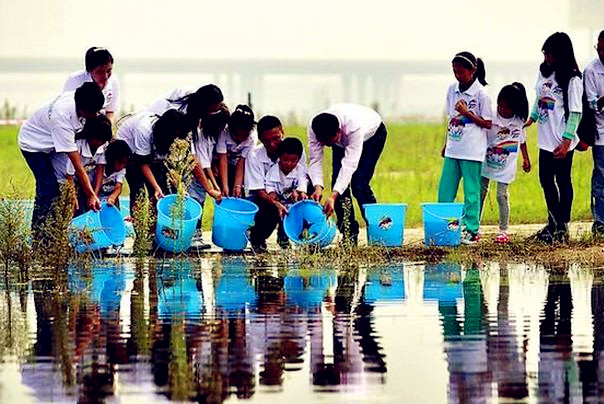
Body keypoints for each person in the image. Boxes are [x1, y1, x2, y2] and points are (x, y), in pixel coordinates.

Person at [18, 82, 104, 239]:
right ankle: (40, 238)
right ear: (83, 109)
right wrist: (91, 194)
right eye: (94, 112)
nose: (97, 115)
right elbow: (77, 166)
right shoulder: (62, 119)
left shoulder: (81, 98)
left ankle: (56, 232)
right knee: (48, 188)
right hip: (34, 145)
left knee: (60, 187)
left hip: (51, 140)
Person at [525, 32, 583, 244]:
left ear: (562, 54)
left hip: (561, 139)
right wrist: (531, 118)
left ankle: (562, 227)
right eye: (546, 54)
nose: (548, 58)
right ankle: (553, 224)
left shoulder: (573, 78)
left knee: (563, 180)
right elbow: (539, 98)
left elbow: (576, 112)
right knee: (545, 180)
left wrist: (567, 141)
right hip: (545, 139)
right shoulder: (543, 73)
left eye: (551, 54)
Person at [308, 104, 387, 245]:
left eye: (329, 142)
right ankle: (349, 235)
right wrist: (317, 187)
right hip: (342, 141)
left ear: (339, 132)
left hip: (373, 135)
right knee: (338, 187)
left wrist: (332, 196)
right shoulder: (314, 128)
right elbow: (315, 160)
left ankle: (379, 233)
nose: (326, 145)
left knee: (359, 185)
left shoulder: (354, 128)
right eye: (323, 142)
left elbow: (350, 165)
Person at [438, 52, 493, 245]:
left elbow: (487, 123)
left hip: (472, 150)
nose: (457, 75)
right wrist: (446, 144)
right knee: (445, 191)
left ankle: (471, 231)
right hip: (454, 148)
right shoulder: (452, 90)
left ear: (472, 71)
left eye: (461, 72)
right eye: (454, 71)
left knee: (471, 192)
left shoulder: (481, 94)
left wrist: (467, 113)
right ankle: (445, 228)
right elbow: (450, 119)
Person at [479, 83, 531, 243]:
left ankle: (503, 231)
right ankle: (474, 227)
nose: (503, 109)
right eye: (500, 105)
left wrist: (526, 159)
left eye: (507, 107)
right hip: (487, 161)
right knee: (480, 192)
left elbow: (522, 141)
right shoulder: (491, 117)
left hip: (506, 165)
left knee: (501, 196)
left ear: (515, 108)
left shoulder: (519, 121)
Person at [246, 115, 307, 251]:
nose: (273, 144)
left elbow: (302, 176)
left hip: (290, 193)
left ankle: (287, 234)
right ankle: (258, 237)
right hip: (266, 198)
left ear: (282, 132)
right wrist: (275, 203)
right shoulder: (254, 156)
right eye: (267, 141)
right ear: (261, 139)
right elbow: (260, 191)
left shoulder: (295, 148)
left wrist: (299, 191)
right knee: (271, 211)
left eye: (276, 138)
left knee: (304, 201)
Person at [115, 109, 189, 212]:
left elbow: (169, 165)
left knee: (161, 191)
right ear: (166, 131)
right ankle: (139, 224)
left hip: (148, 155)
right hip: (129, 153)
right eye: (173, 135)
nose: (174, 138)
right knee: (139, 192)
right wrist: (156, 187)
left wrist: (179, 186)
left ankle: (156, 224)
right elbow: (143, 163)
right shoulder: (144, 130)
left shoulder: (172, 137)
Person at [63, 115, 113, 214]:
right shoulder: (78, 145)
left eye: (102, 141)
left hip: (88, 182)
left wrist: (95, 194)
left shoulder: (103, 146)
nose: (99, 143)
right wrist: (72, 195)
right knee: (74, 206)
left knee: (92, 205)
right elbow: (69, 175)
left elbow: (100, 169)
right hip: (72, 181)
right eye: (96, 139)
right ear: (89, 134)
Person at [64, 47, 120, 124]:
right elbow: (68, 112)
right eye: (100, 72)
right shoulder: (75, 80)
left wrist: (107, 129)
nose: (106, 76)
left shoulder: (113, 82)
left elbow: (110, 111)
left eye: (109, 71)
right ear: (89, 70)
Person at [215, 104, 257, 198]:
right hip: (222, 163)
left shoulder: (252, 136)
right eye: (236, 134)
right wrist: (224, 186)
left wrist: (237, 185)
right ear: (230, 128)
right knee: (224, 190)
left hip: (240, 164)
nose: (240, 138)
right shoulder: (223, 132)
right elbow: (223, 159)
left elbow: (242, 161)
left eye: (244, 135)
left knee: (238, 192)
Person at [586, 30, 604, 237]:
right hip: (601, 133)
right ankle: (600, 222)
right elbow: (591, 104)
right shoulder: (591, 70)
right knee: (601, 178)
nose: (601, 53)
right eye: (599, 49)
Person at [98, 139, 131, 208]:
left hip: (111, 200)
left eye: (124, 163)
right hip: (98, 198)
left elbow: (118, 187)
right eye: (119, 163)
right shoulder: (100, 167)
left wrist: (113, 197)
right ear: (111, 159)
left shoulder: (121, 171)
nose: (122, 166)